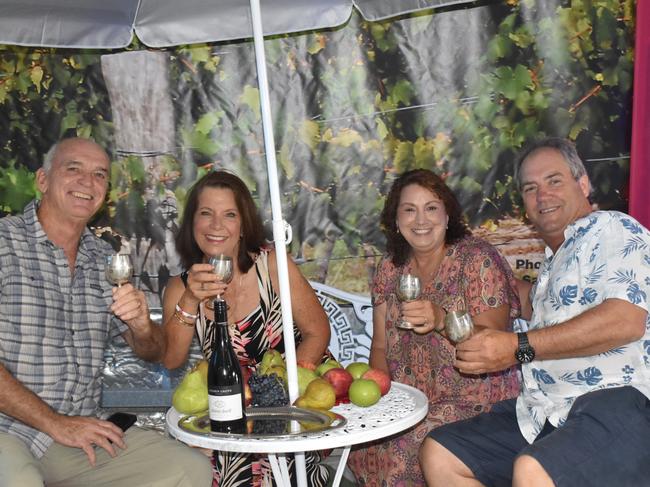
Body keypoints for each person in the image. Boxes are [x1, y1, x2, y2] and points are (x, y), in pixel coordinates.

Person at [420, 137, 650, 487]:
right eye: (531, 188)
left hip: (619, 402)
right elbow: (517, 298)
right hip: (543, 412)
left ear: (583, 183)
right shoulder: (553, 263)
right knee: (440, 454)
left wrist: (518, 346)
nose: (543, 195)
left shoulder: (612, 229)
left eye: (554, 181)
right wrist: (448, 300)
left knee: (532, 469)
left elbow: (626, 320)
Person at [0, 138, 212, 487]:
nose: (88, 182)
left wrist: (142, 326)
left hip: (78, 433)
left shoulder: (106, 261)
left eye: (99, 174)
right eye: (74, 169)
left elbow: (153, 351)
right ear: (42, 180)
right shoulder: (6, 244)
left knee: (189, 469)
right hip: (9, 429)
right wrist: (56, 422)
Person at [347, 168, 521, 486]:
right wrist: (378, 399)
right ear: (396, 221)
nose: (421, 220)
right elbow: (381, 346)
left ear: (447, 215)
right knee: (365, 447)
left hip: (476, 403)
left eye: (431, 208)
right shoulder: (390, 267)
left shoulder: (477, 260)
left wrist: (441, 318)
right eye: (409, 210)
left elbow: (495, 342)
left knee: (401, 453)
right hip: (410, 401)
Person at [161, 170, 332, 486]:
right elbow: (171, 359)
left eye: (229, 214)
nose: (216, 225)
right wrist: (189, 299)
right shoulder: (180, 288)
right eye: (206, 214)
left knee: (273, 459)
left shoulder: (272, 265)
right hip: (233, 403)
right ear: (192, 224)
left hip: (296, 391)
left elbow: (318, 331)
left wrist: (283, 395)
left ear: (242, 226)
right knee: (211, 458)